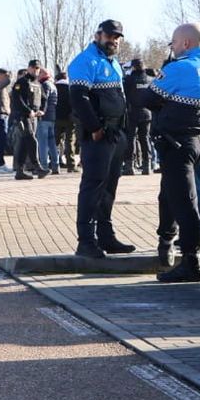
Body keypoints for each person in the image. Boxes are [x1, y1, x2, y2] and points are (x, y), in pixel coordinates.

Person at [142, 22, 200, 282]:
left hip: (178, 144)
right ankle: (166, 243)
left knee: (185, 203)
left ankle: (191, 262)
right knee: (168, 195)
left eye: (174, 43)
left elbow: (148, 99)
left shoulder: (180, 67)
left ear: (186, 43)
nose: (172, 47)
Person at [68, 19, 137, 258]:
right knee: (92, 187)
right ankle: (86, 241)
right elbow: (79, 98)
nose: (114, 41)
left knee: (109, 189)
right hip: (99, 135)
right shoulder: (84, 61)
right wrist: (95, 128)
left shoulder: (113, 63)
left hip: (116, 134)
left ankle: (106, 237)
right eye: (110, 36)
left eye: (117, 37)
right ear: (98, 35)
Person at [10, 66, 47, 179]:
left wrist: (42, 110)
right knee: (31, 139)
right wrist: (28, 110)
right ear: (29, 68)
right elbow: (17, 99)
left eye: (37, 69)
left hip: (34, 117)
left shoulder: (38, 83)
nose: (36, 71)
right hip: (23, 116)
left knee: (25, 142)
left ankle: (20, 170)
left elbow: (44, 98)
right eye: (33, 68)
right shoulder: (21, 82)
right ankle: (38, 167)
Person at [124, 59, 154, 175]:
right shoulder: (149, 79)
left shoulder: (129, 79)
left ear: (134, 67)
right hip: (147, 112)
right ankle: (147, 166)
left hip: (133, 112)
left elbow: (125, 94)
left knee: (130, 138)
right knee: (145, 138)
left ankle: (129, 166)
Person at [54, 66, 78, 172]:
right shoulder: (71, 88)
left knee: (55, 142)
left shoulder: (54, 87)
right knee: (70, 141)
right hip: (70, 118)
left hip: (56, 118)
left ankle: (54, 163)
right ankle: (71, 165)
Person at [37, 66, 60, 174]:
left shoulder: (44, 85)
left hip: (44, 117)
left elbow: (44, 99)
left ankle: (44, 166)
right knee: (52, 143)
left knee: (43, 143)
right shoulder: (53, 85)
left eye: (39, 73)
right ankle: (55, 165)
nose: (37, 75)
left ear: (43, 74)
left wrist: (40, 111)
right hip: (52, 116)